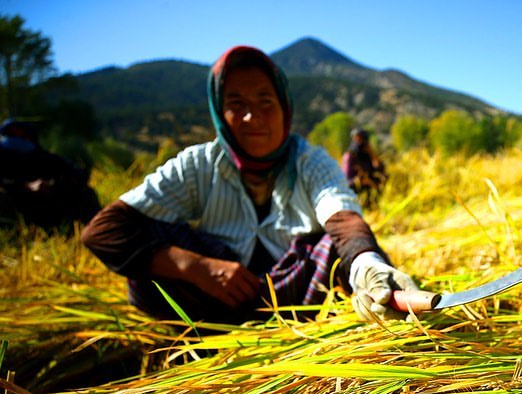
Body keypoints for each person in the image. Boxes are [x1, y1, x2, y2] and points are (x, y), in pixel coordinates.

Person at [82, 46, 417, 324]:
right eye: (236, 104)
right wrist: (196, 267)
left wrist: (367, 266)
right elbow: (103, 231)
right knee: (146, 250)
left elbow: (342, 218)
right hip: (211, 300)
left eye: (265, 101)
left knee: (335, 252)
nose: (252, 117)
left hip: (301, 297)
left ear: (284, 107)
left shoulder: (310, 161)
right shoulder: (196, 164)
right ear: (219, 112)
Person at [0, 119, 100, 229]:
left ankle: (94, 227)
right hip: (14, 207)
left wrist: (55, 185)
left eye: (21, 135)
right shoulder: (5, 156)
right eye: (12, 134)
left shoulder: (44, 158)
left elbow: (79, 174)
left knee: (84, 193)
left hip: (46, 208)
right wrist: (26, 186)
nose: (17, 140)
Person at [341, 128, 387, 208]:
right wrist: (361, 181)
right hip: (355, 192)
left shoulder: (366, 154)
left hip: (370, 190)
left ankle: (373, 205)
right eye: (356, 139)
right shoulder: (350, 156)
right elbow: (346, 183)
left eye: (361, 139)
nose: (359, 143)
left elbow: (380, 170)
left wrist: (372, 154)